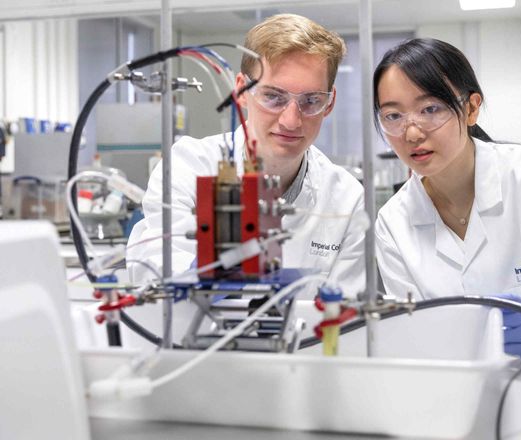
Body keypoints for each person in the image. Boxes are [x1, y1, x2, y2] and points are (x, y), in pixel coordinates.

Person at [373, 38, 521, 363]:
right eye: (394, 116)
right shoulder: (393, 222)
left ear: (471, 108)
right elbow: (413, 334)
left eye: (430, 109)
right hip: (455, 395)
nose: (411, 133)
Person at [127, 14, 365, 298]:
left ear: (330, 103)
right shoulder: (187, 167)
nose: (291, 120)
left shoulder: (346, 197)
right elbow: (156, 272)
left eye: (311, 101)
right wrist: (207, 273)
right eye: (273, 97)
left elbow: (344, 316)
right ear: (241, 90)